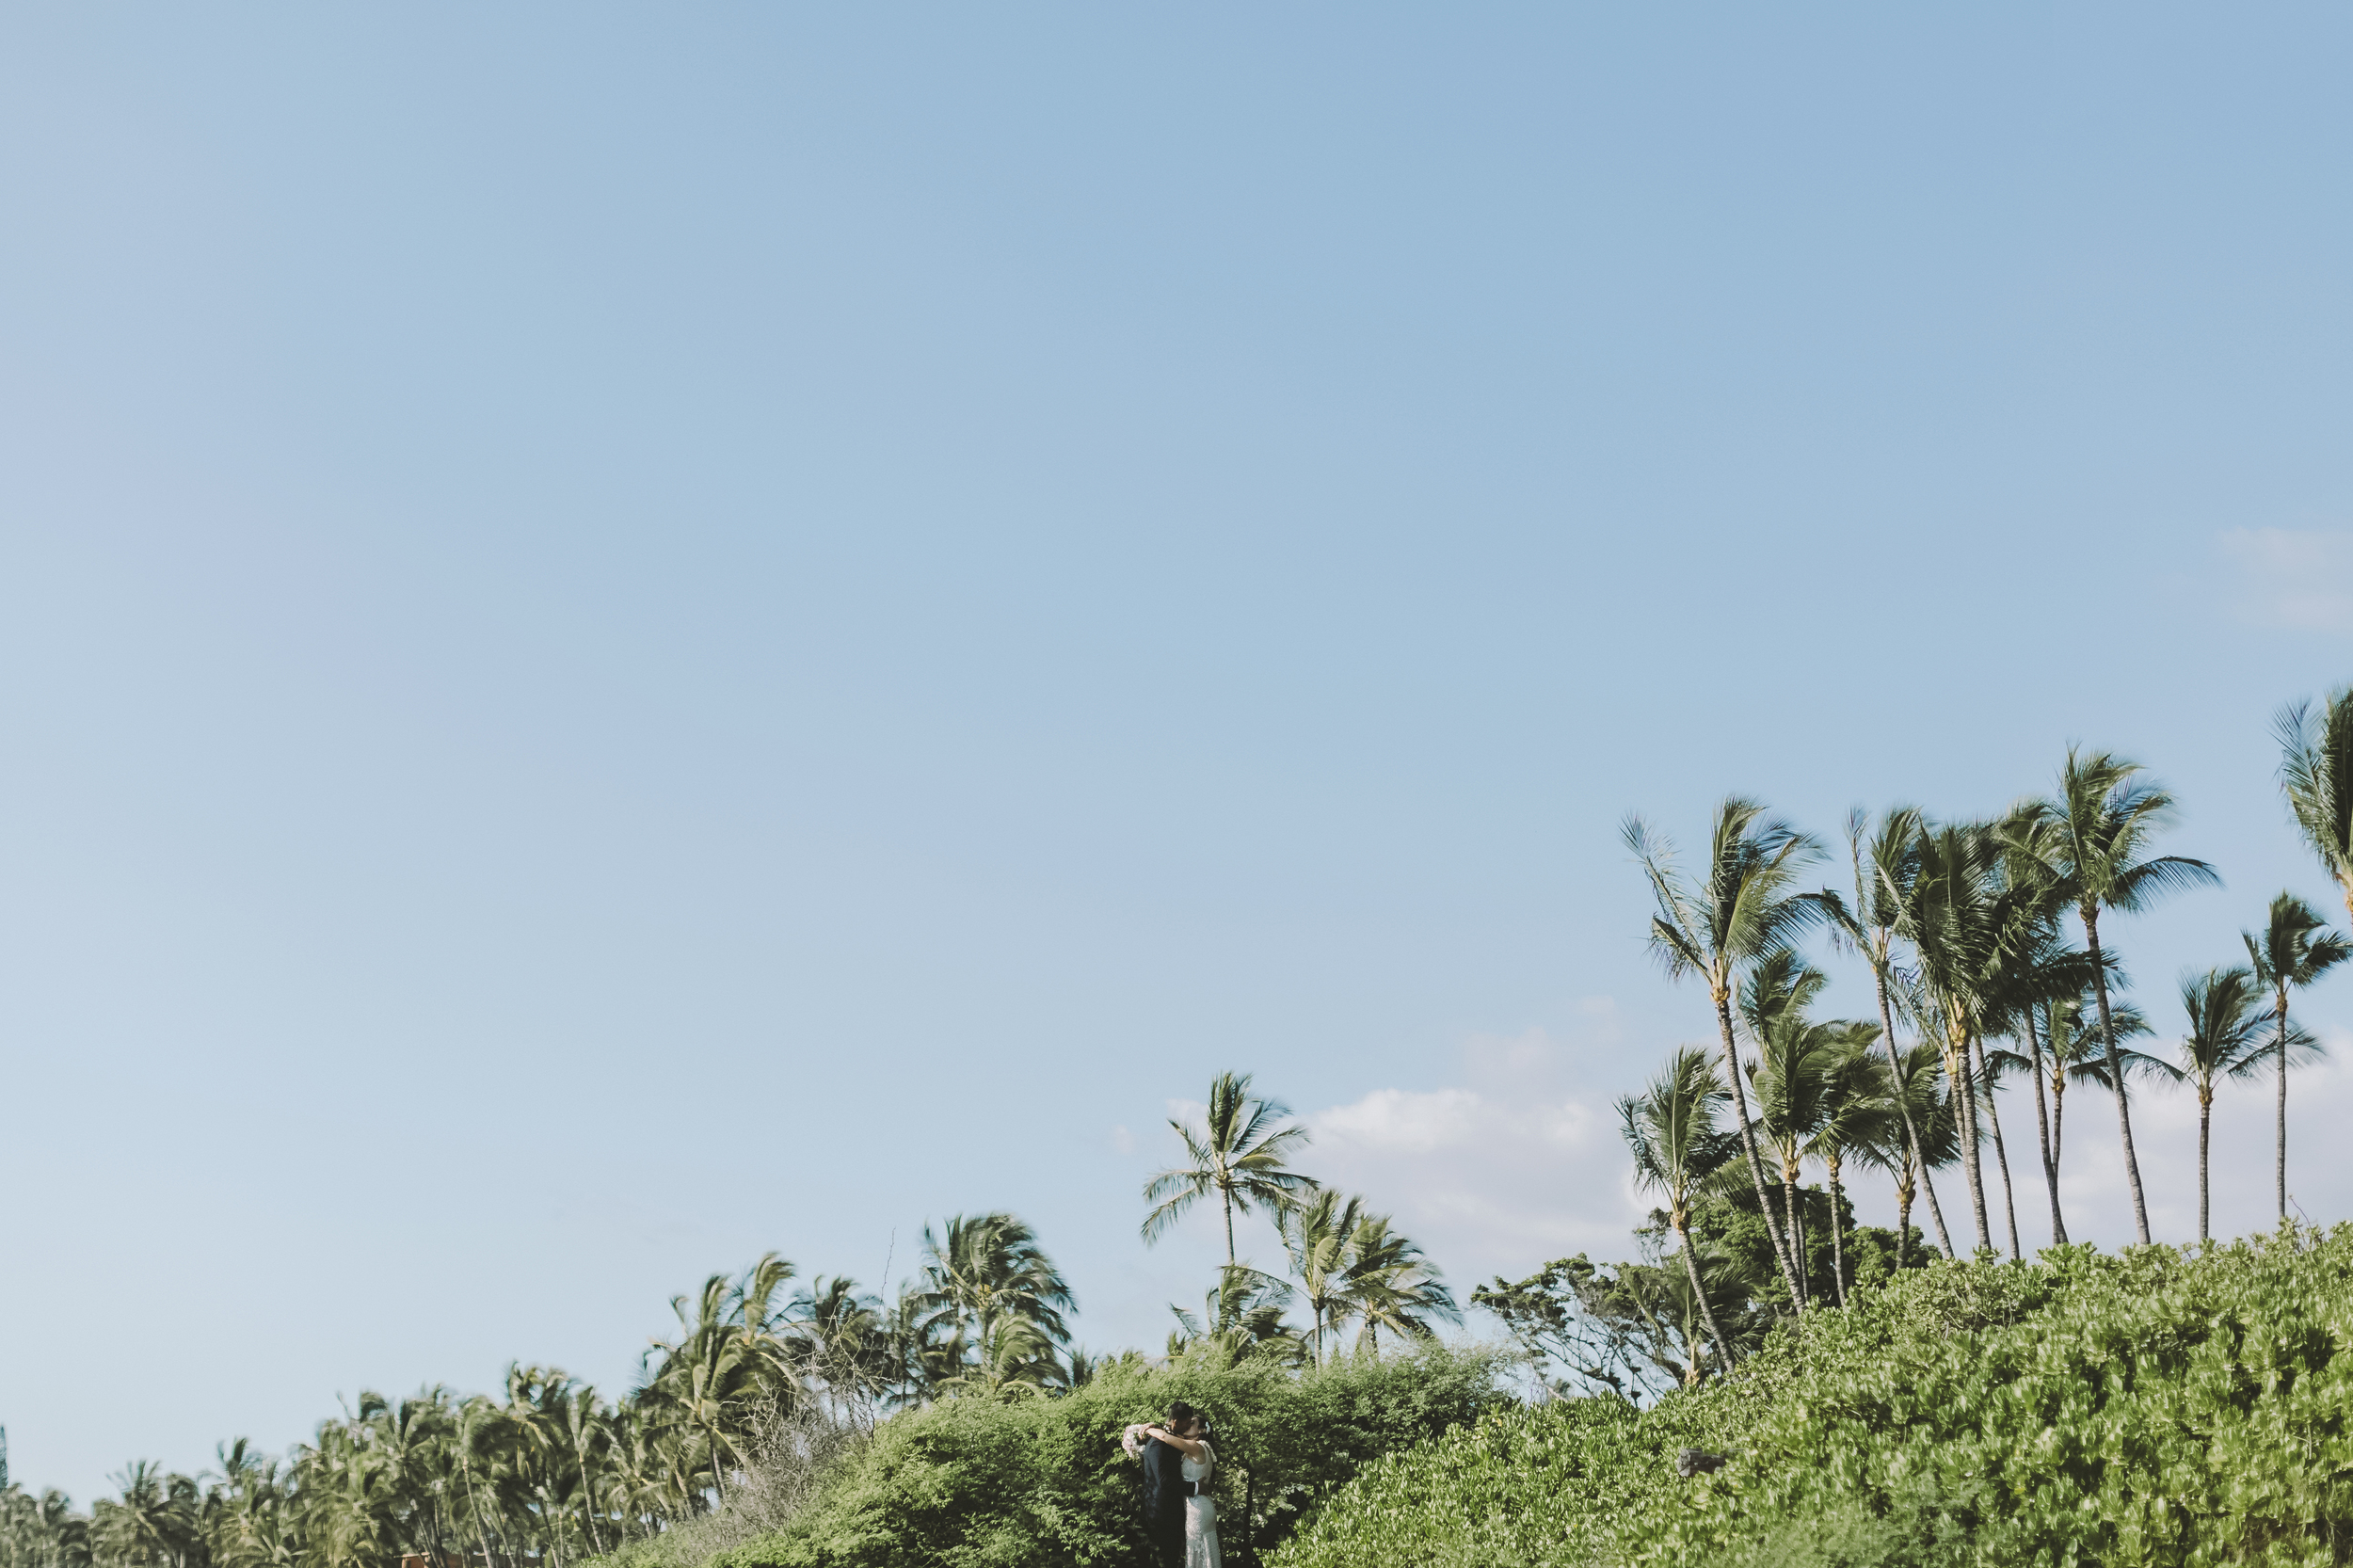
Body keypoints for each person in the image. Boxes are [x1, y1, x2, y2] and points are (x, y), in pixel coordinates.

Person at [1122, 1404, 1219, 1568]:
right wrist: (1195, 1487)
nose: (1189, 1426)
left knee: (1177, 1558)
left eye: (1192, 1423)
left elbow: (1167, 1437)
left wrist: (1151, 1427)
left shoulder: (1187, 1445)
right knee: (1167, 1560)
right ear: (1175, 1423)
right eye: (1187, 1422)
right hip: (1161, 1514)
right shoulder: (1158, 1445)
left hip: (1181, 1511)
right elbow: (1164, 1480)